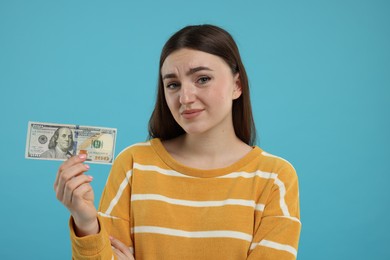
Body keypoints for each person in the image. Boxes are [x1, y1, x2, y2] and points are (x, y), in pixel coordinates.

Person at [54, 24, 301, 260]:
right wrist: (86, 223)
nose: (185, 97)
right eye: (173, 84)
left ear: (237, 85)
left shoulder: (275, 178)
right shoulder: (133, 164)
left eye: (202, 79)